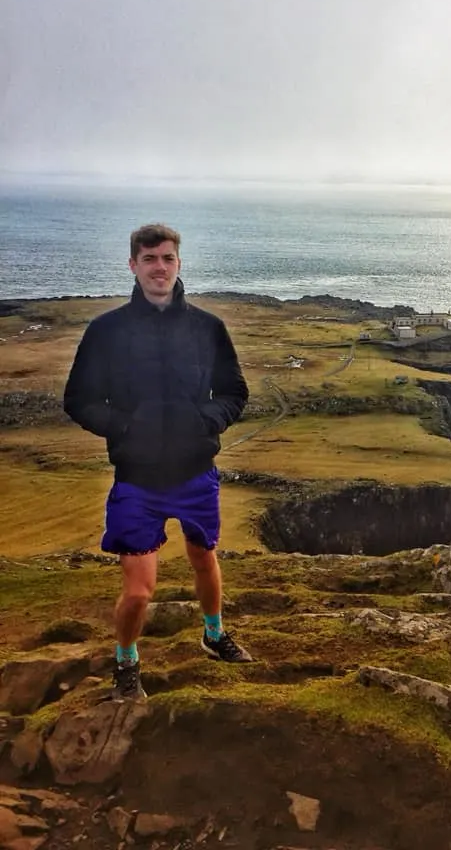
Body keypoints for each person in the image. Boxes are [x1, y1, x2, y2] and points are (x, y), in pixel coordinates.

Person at [64, 223, 252, 702]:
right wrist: (126, 428)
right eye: (149, 259)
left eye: (167, 258)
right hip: (138, 479)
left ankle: (213, 634)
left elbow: (234, 391)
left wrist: (206, 419)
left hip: (195, 473)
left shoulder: (208, 328)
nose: (159, 267)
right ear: (133, 265)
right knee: (139, 591)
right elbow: (79, 400)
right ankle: (126, 662)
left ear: (178, 263)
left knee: (204, 558)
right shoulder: (106, 331)